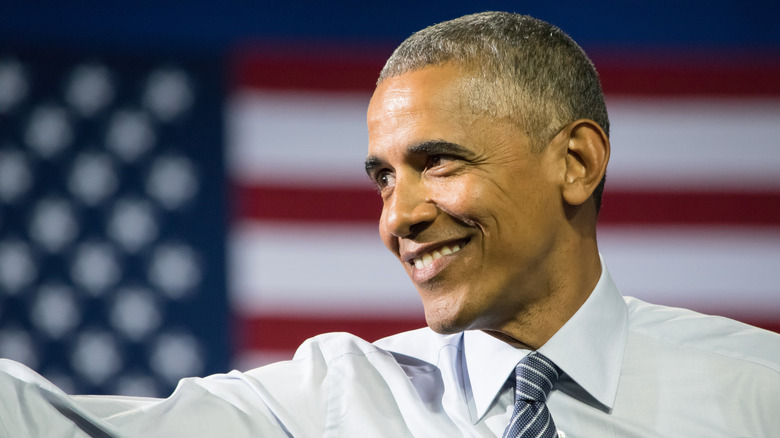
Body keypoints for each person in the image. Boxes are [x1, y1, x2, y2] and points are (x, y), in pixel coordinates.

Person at [1, 11, 779, 438]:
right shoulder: (334, 399)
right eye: (383, 177)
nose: (398, 217)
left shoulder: (757, 396)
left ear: (576, 162)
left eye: (439, 162)